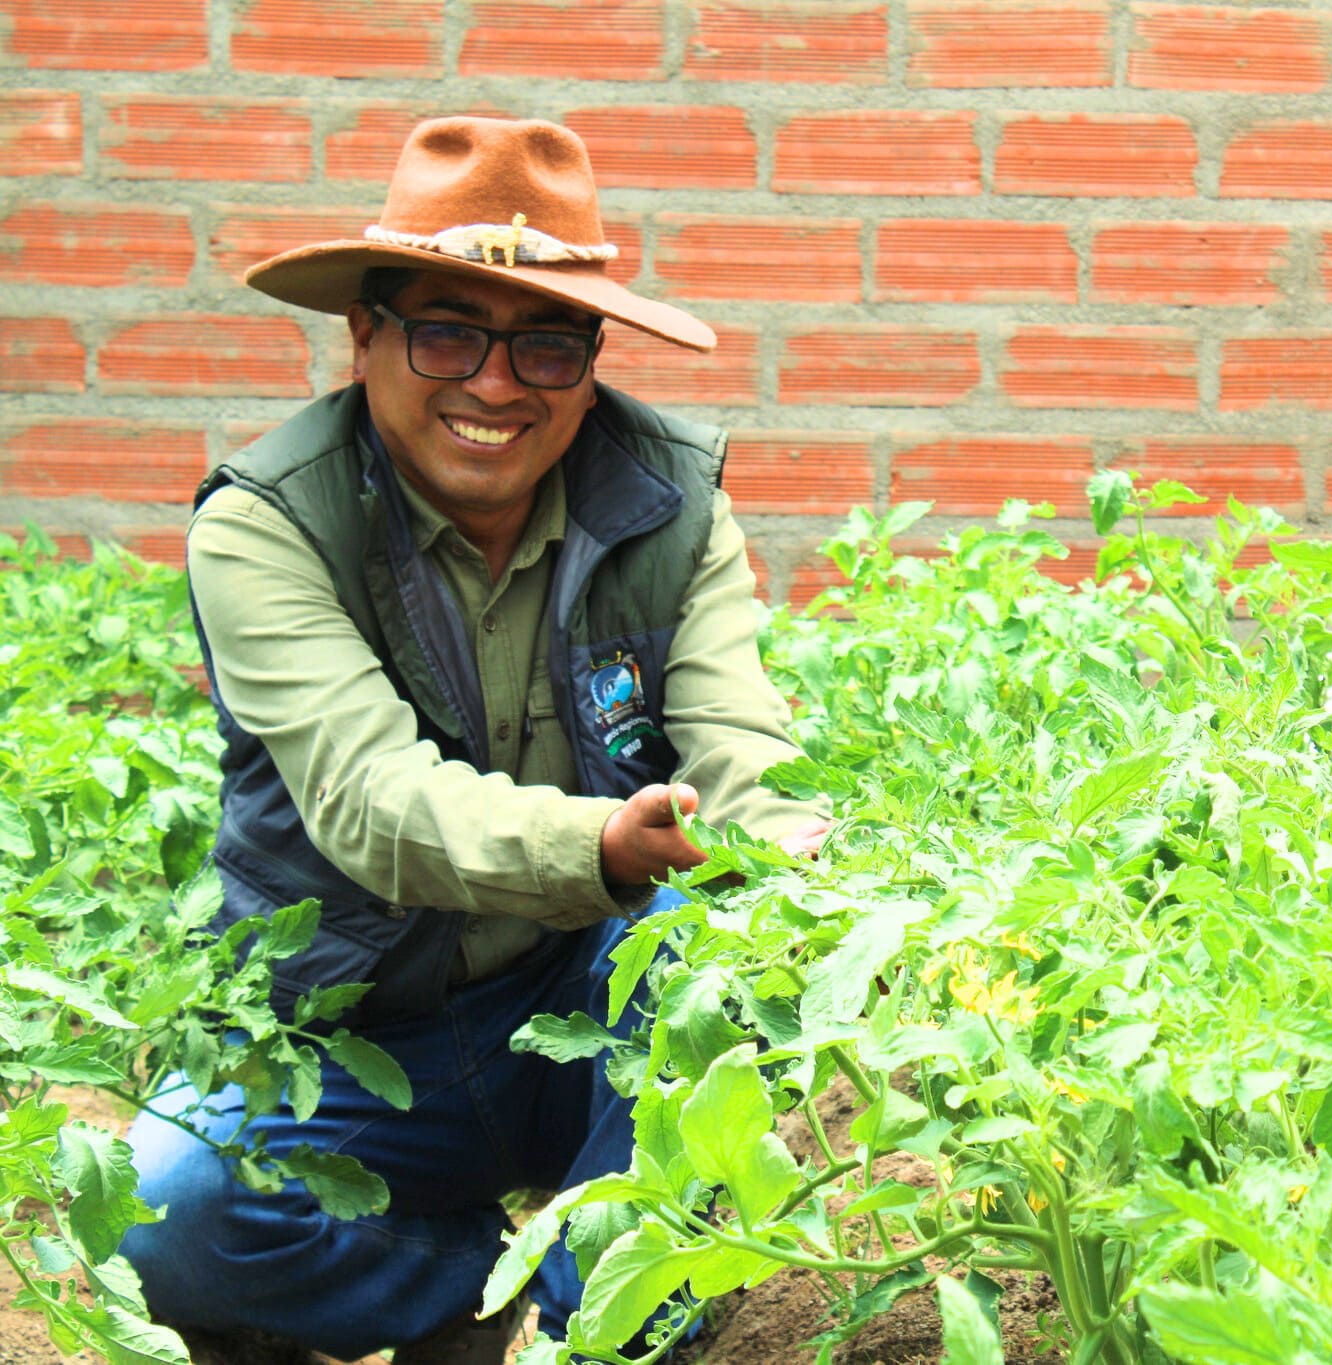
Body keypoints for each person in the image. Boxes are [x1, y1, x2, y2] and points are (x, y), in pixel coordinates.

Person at [121, 116, 830, 1364]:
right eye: (448, 331)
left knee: (712, 967)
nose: (494, 384)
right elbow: (372, 803)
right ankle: (469, 1290)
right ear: (365, 335)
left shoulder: (670, 507)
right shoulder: (268, 524)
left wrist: (840, 906)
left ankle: (602, 1322)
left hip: (583, 1014)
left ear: (591, 358)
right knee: (173, 1205)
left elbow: (743, 754)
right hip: (348, 1031)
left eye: (545, 345)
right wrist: (606, 845)